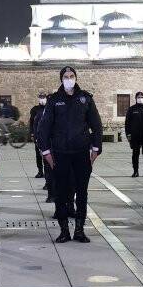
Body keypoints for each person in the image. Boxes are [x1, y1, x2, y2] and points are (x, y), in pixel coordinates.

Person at [37, 66, 104, 243]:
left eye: (71, 75)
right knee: (60, 192)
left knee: (82, 192)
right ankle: (64, 230)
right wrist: (46, 153)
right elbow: (43, 129)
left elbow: (96, 125)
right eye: (65, 76)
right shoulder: (53, 100)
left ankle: (80, 230)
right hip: (60, 154)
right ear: (61, 79)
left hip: (81, 153)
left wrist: (96, 150)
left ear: (75, 77)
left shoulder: (85, 98)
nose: (69, 78)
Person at [124, 91, 143, 178]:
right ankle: (135, 171)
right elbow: (127, 123)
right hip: (135, 136)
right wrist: (128, 135)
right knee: (135, 154)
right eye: (138, 97)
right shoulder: (131, 109)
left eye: (141, 97)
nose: (140, 98)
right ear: (135, 99)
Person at [30, 93, 48, 180]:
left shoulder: (49, 108)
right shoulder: (35, 109)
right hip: (38, 135)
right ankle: (40, 171)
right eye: (40, 98)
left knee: (47, 155)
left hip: (47, 137)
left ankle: (47, 172)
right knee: (38, 155)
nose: (42, 99)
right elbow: (32, 123)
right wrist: (32, 133)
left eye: (43, 98)